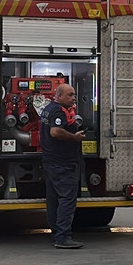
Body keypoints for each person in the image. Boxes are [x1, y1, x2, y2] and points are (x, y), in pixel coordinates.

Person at [41, 83, 87, 249]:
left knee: (53, 200)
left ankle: (56, 233)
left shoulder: (49, 109)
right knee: (67, 199)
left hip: (51, 162)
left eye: (74, 95)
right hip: (62, 163)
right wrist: (74, 137)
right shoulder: (58, 111)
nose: (73, 98)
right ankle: (63, 237)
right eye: (70, 95)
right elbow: (55, 131)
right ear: (59, 96)